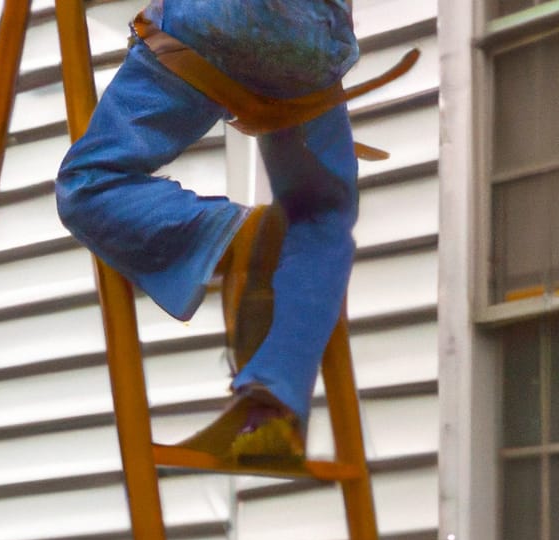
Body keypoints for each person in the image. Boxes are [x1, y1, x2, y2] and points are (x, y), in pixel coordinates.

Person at [56, 0, 387, 463]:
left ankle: (237, 234)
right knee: (321, 220)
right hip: (309, 40)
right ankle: (272, 412)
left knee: (92, 185)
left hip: (213, 19)